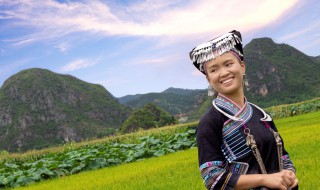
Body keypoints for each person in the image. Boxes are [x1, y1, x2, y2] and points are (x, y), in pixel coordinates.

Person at [189, 30, 298, 190]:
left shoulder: (261, 114)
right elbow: (212, 179)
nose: (224, 73)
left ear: (242, 66)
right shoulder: (210, 122)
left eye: (228, 64)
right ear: (209, 79)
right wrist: (264, 180)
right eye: (214, 70)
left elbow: (282, 155)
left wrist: (289, 174)